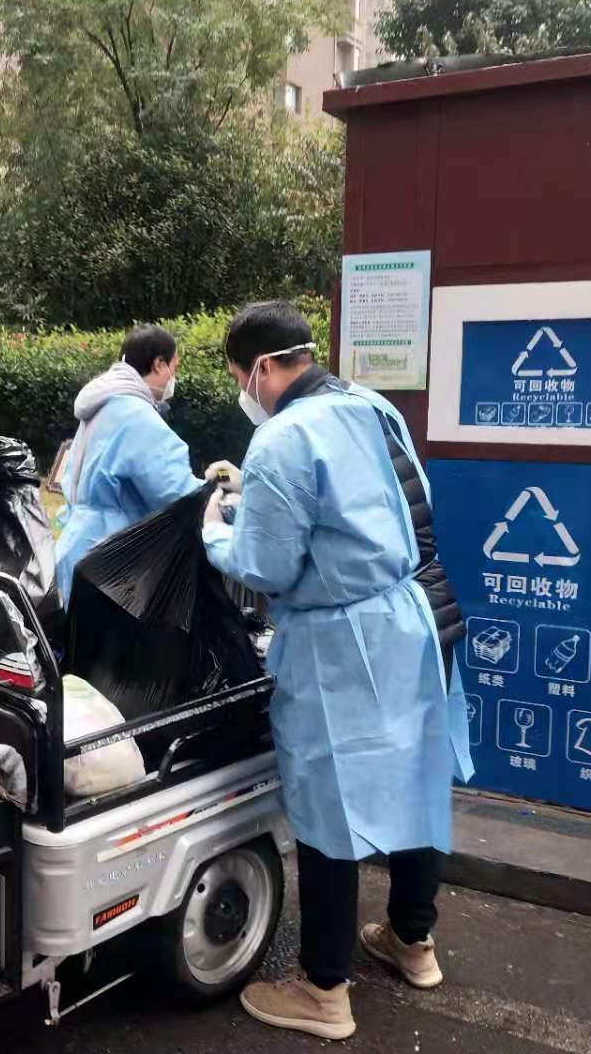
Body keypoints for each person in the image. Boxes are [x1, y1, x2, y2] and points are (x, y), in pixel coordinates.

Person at [202, 302, 473, 1042]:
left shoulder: (283, 436)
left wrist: (215, 533)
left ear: (259, 367)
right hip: (420, 615)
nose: (243, 390)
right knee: (419, 776)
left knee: (329, 805)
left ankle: (323, 990)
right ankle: (412, 941)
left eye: (238, 375)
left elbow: (266, 567)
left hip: (344, 640)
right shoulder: (371, 404)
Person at [55, 324, 202, 605]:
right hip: (113, 559)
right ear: (159, 364)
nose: (174, 377)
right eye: (174, 367)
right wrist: (217, 495)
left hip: (77, 544)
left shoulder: (103, 405)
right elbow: (175, 493)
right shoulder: (137, 415)